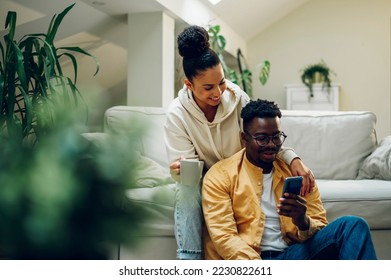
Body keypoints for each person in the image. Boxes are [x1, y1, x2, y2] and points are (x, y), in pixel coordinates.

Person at [163, 25, 314, 260]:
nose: (218, 92)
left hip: (241, 175)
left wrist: (292, 157)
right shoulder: (177, 114)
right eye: (208, 87)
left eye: (221, 82)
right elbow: (188, 172)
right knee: (185, 190)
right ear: (189, 85)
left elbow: (264, 136)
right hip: (209, 182)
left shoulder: (237, 98)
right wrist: (179, 171)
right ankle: (189, 262)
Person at [202, 99, 377, 260]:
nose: (271, 145)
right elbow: (225, 238)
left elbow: (321, 227)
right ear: (244, 138)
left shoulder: (297, 174)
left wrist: (302, 221)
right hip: (252, 262)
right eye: (262, 139)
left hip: (292, 255)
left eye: (276, 136)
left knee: (354, 225)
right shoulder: (220, 176)